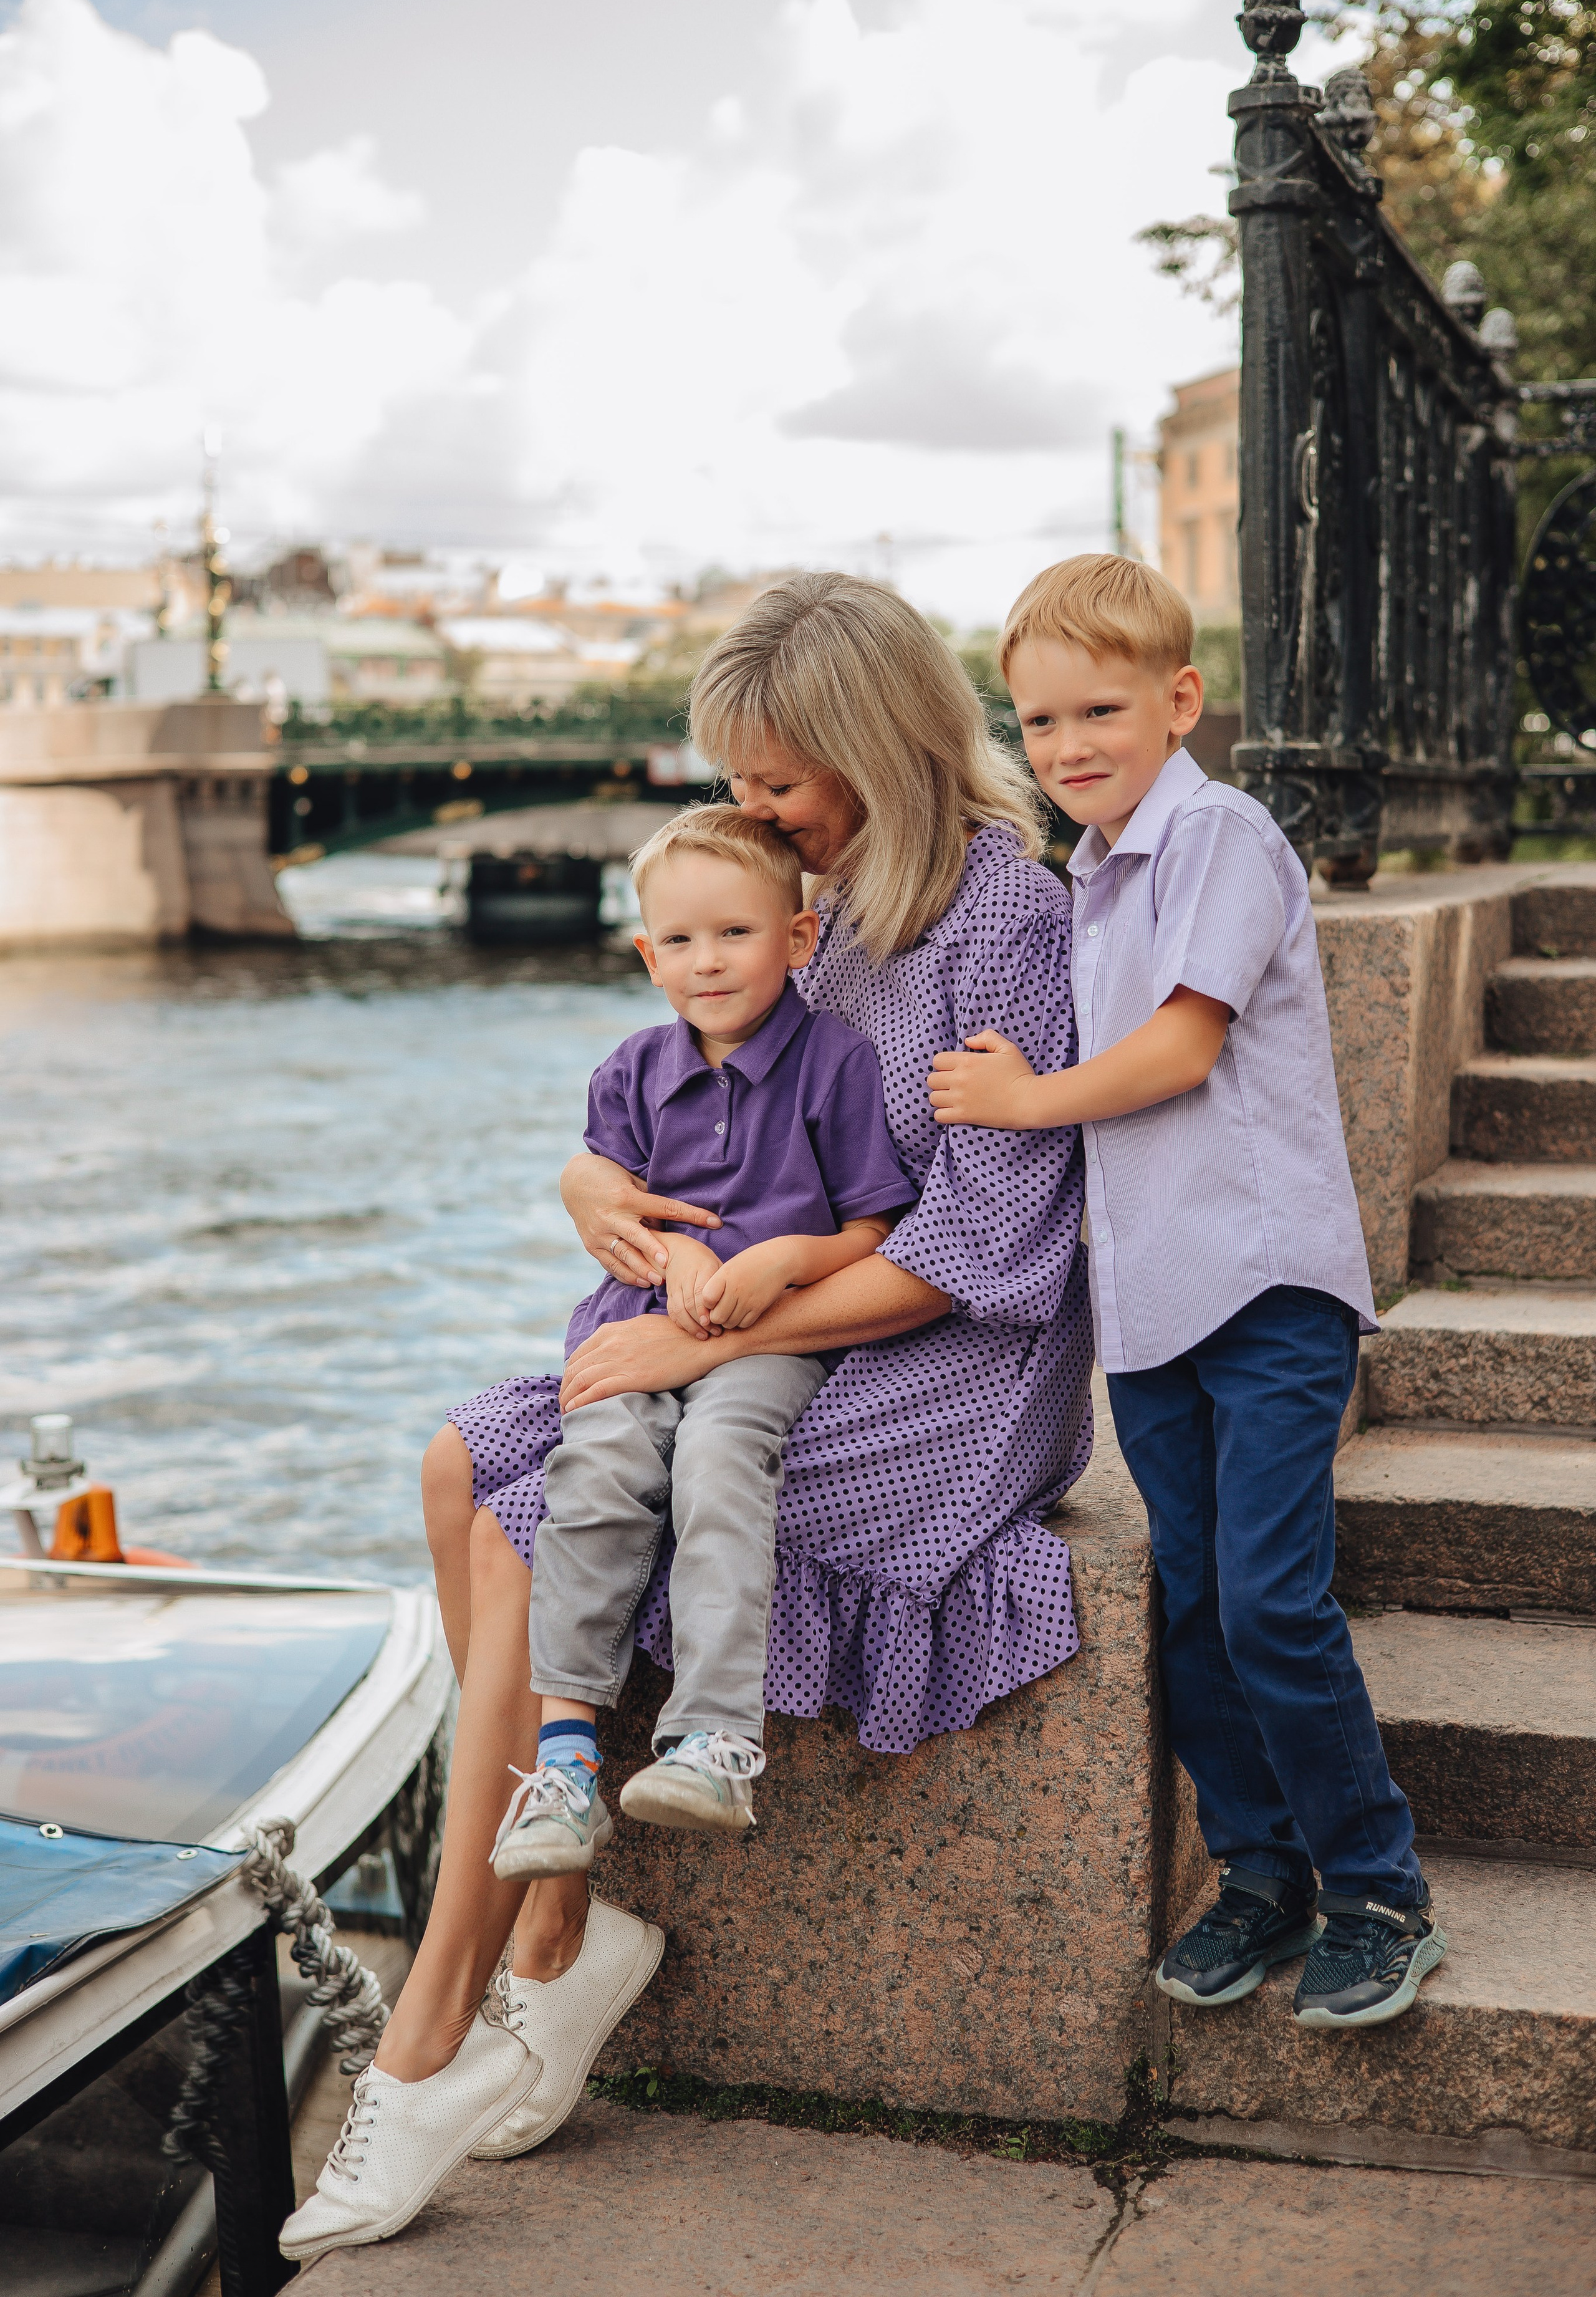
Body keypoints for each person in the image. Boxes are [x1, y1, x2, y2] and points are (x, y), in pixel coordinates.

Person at [283, 571, 1094, 2261]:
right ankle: (563, 1922)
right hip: (765, 1320)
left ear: (873, 746)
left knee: (527, 1507)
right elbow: (694, 1071)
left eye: (778, 781)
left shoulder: (1003, 918)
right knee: (461, 1458)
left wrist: (687, 1350)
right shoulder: (827, 891)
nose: (751, 812)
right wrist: (594, 1180)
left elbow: (980, 1242)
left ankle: (435, 2028)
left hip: (948, 1362)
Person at [928, 551, 1447, 2032]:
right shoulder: (1084, 876)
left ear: (1179, 700)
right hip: (1150, 1306)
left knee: (1273, 1601)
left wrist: (1024, 1103)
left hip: (1264, 1286)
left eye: (1097, 710)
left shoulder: (1218, 835)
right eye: (1035, 724)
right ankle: (1258, 1873)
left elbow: (1180, 1048)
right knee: (1194, 1604)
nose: (1067, 746)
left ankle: (1376, 1888)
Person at [491, 804, 916, 1880]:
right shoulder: (632, 1073)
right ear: (648, 957)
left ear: (799, 938)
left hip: (770, 1337)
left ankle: (719, 1739)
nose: (708, 961)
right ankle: (567, 1764)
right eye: (679, 941)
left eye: (735, 932)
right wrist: (674, 1260)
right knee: (593, 1471)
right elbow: (620, 1210)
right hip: (640, 1324)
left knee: (723, 1462)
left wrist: (788, 1258)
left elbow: (874, 1225)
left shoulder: (837, 1064)